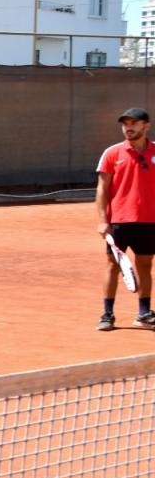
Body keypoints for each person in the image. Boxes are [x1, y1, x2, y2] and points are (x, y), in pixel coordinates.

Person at [95, 107, 155, 331]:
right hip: (120, 220)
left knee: (145, 265)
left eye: (134, 123)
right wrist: (103, 220)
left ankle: (144, 314)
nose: (128, 127)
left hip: (149, 220)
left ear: (145, 126)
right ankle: (107, 315)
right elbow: (102, 189)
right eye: (125, 124)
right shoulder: (112, 153)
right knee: (113, 266)